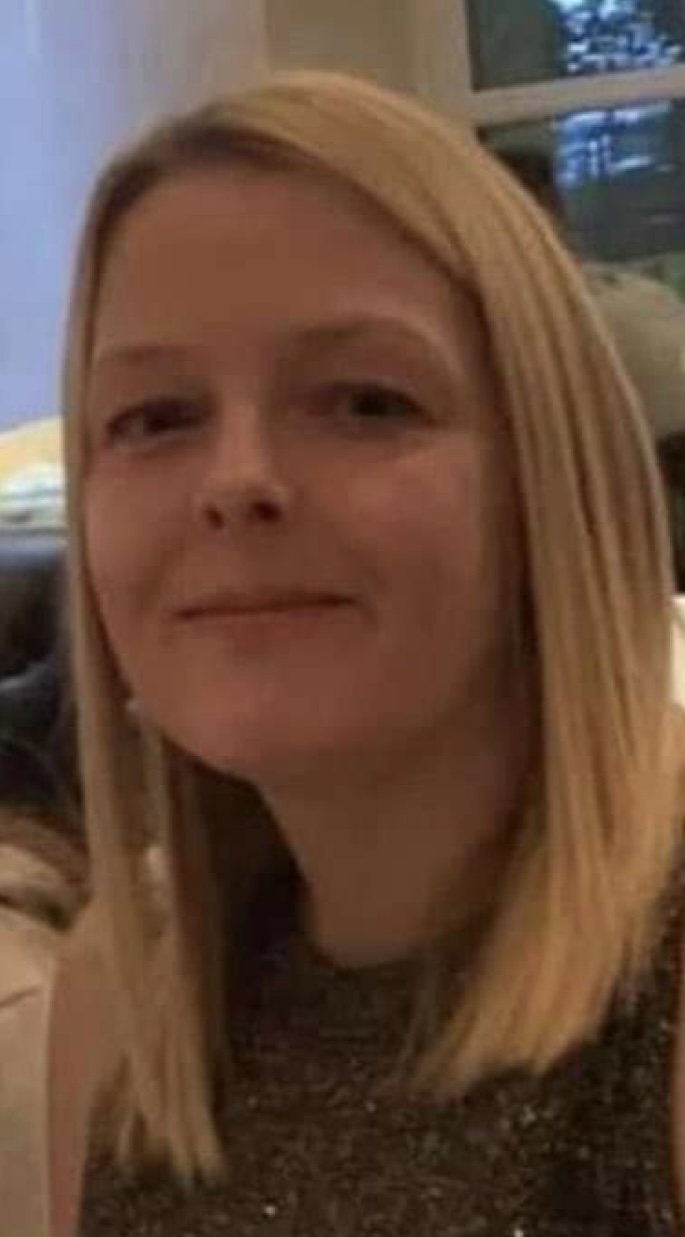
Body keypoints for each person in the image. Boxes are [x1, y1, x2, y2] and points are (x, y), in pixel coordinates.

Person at [11, 71, 685, 1235]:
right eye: (156, 417)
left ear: (547, 483)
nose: (235, 482)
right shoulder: (131, 993)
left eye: (366, 402)